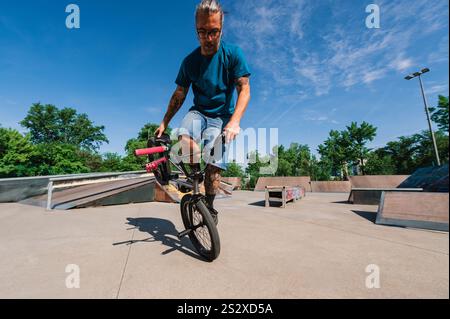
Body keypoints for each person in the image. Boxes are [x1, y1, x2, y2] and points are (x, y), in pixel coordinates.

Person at [155, 0, 251, 219]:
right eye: (202, 32)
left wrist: (234, 122)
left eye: (214, 32)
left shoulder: (233, 54)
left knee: (214, 166)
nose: (208, 39)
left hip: (222, 118)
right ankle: (194, 174)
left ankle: (209, 205)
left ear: (221, 29)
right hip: (198, 112)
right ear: (196, 30)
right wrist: (164, 122)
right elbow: (179, 95)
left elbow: (244, 89)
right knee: (183, 135)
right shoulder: (190, 62)